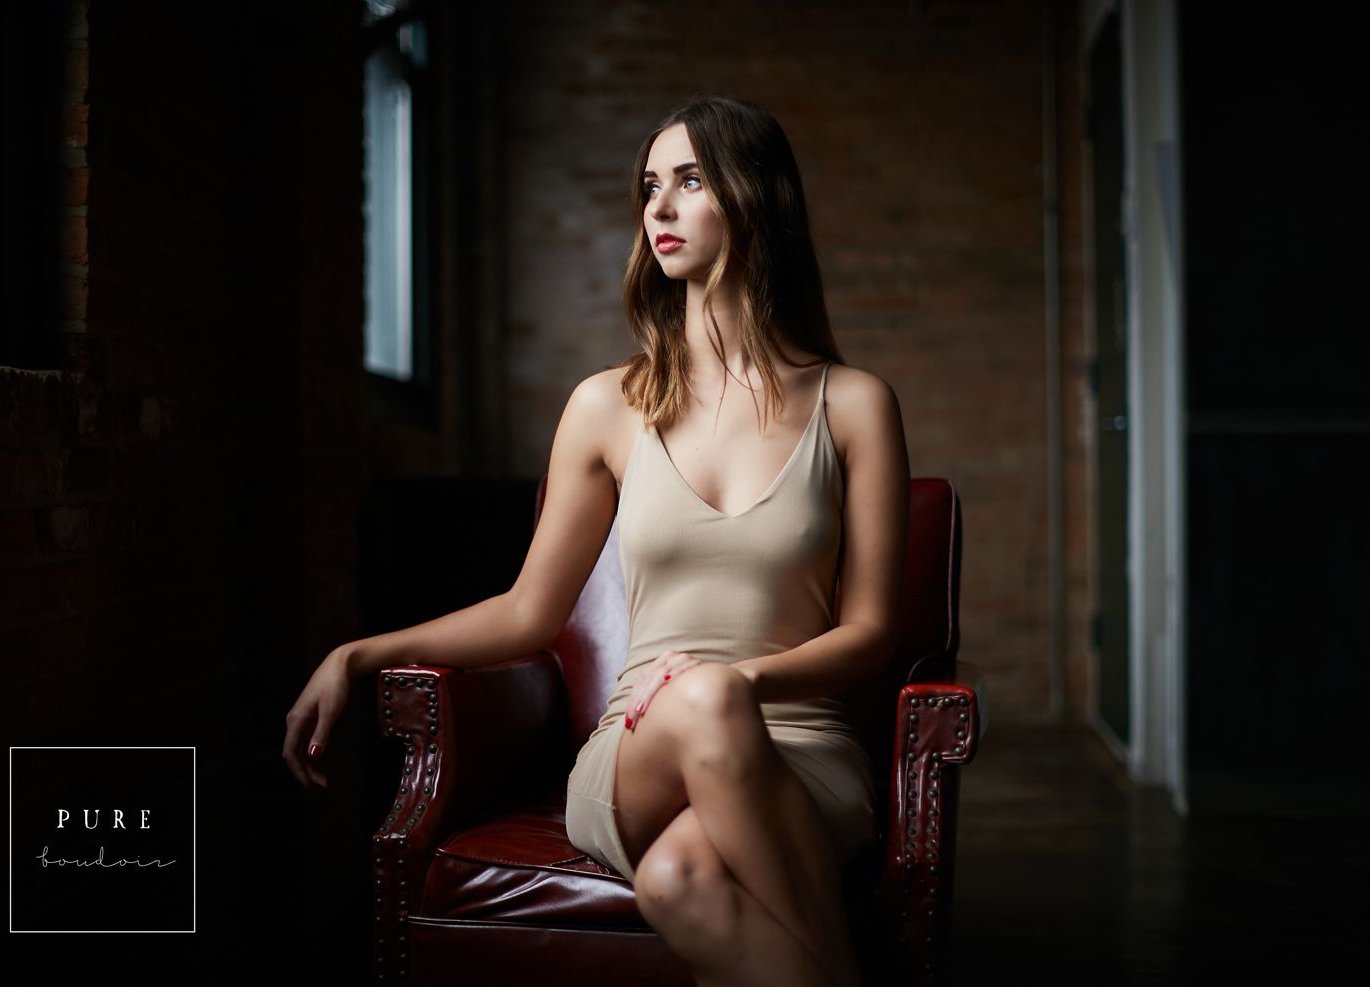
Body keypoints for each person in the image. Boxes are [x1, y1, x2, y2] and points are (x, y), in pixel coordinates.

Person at [283, 94, 910, 987]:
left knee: (682, 878)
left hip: (799, 749)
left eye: (690, 180)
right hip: (640, 747)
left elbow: (873, 631)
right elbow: (529, 610)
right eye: (649, 185)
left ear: (757, 196)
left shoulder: (855, 404)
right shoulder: (606, 405)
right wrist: (357, 653)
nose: (657, 207)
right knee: (697, 704)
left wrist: (734, 679)